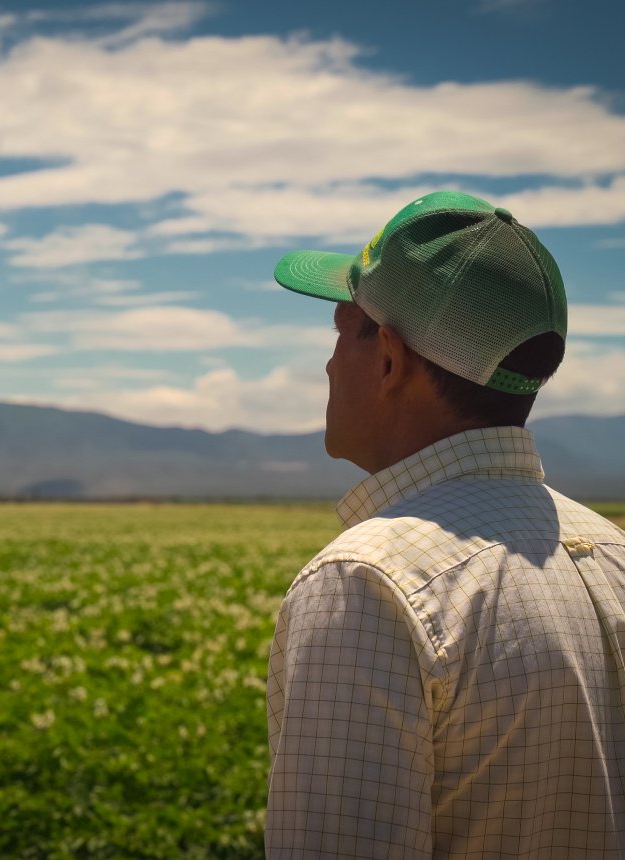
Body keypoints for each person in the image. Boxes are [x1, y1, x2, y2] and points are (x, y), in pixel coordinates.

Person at [265, 190, 625, 857]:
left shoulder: (366, 583)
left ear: (390, 359)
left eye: (344, 328)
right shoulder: (613, 553)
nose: (327, 361)